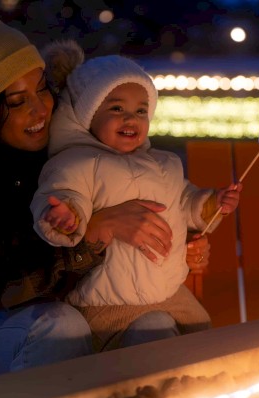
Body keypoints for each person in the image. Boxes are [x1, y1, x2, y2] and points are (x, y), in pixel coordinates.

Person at [0, 1, 211, 381]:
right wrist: (95, 230)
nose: (40, 109)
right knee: (61, 326)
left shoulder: (73, 149)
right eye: (16, 102)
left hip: (71, 313)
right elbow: (7, 289)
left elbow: (144, 201)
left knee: (143, 326)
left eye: (43, 88)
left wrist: (179, 241)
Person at [30, 41, 242, 351]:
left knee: (200, 344)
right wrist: (65, 217)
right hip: (107, 302)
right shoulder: (76, 162)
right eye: (116, 108)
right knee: (143, 349)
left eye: (141, 110)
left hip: (170, 293)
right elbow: (63, 191)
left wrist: (211, 204)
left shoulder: (164, 163)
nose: (131, 118)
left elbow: (184, 201)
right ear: (86, 114)